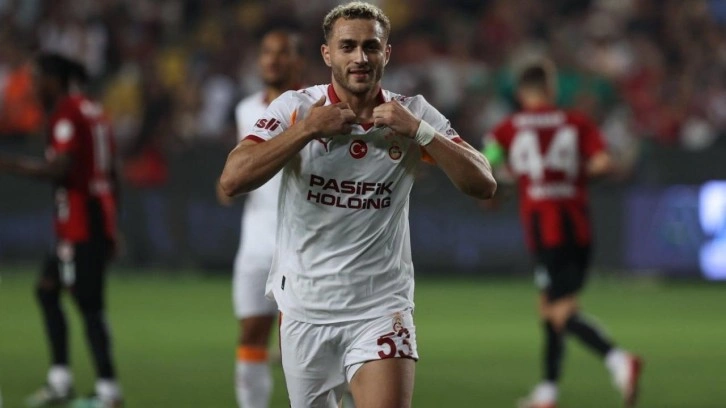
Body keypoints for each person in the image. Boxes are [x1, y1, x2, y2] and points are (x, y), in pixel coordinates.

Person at [219, 2, 497, 407]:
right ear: (327, 54)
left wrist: (419, 132)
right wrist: (307, 130)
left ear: (387, 52)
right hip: (305, 308)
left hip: (380, 307)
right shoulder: (297, 108)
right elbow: (232, 179)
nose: (360, 58)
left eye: (371, 46)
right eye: (347, 46)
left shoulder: (411, 113)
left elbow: (484, 182)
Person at [481, 59, 643, 408]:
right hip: (578, 224)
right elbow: (603, 163)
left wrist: (506, 187)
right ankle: (548, 391)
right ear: (551, 89)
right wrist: (570, 178)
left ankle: (619, 360)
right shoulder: (576, 122)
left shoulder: (507, 129)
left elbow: (485, 164)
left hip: (546, 229)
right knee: (551, 305)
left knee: (558, 311)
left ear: (521, 93)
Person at [0, 53, 123, 408]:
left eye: (37, 78)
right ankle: (60, 380)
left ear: (53, 79)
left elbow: (61, 169)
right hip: (94, 214)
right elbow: (111, 170)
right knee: (47, 288)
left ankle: (108, 391)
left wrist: (8, 164)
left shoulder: (67, 112)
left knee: (88, 303)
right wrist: (114, 221)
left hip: (80, 219)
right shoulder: (92, 109)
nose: (33, 87)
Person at [217, 29, 304, 408]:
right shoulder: (245, 110)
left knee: (307, 344)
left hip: (300, 243)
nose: (272, 60)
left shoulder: (315, 107)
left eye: (282, 52)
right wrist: (226, 185)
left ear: (299, 60)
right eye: (267, 52)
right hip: (255, 243)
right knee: (251, 335)